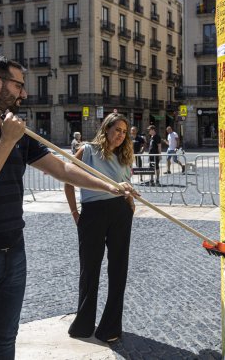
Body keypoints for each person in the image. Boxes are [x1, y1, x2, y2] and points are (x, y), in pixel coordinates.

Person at [0, 55, 133, 360]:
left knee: (3, 341)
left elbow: (62, 170)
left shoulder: (20, 135)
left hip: (13, 255)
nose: (24, 94)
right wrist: (6, 141)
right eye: (19, 85)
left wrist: (111, 186)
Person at [65, 112, 136, 344]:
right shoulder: (87, 151)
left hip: (120, 213)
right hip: (92, 214)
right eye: (117, 130)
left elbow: (125, 184)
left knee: (118, 269)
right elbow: (68, 180)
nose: (121, 135)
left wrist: (130, 202)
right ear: (106, 129)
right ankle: (83, 324)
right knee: (89, 269)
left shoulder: (125, 155)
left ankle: (110, 327)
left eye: (124, 132)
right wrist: (75, 213)